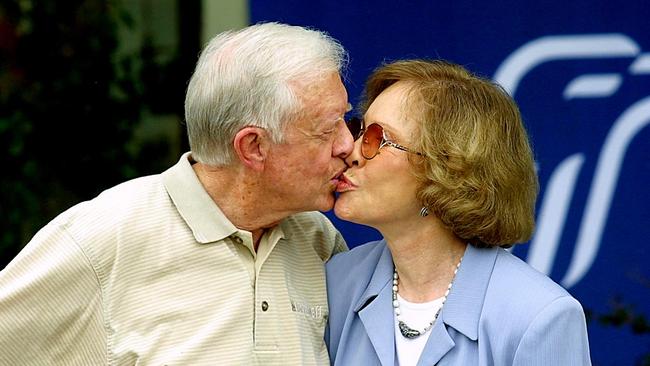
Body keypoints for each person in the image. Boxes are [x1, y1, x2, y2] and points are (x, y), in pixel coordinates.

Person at [0, 22, 353, 365]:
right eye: (326, 131)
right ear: (253, 147)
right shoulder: (105, 236)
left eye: (345, 121)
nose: (347, 145)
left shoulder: (317, 239)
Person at [326, 59, 591, 365]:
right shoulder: (336, 282)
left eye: (377, 138)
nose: (351, 152)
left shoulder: (539, 316)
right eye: (359, 131)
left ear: (448, 168)